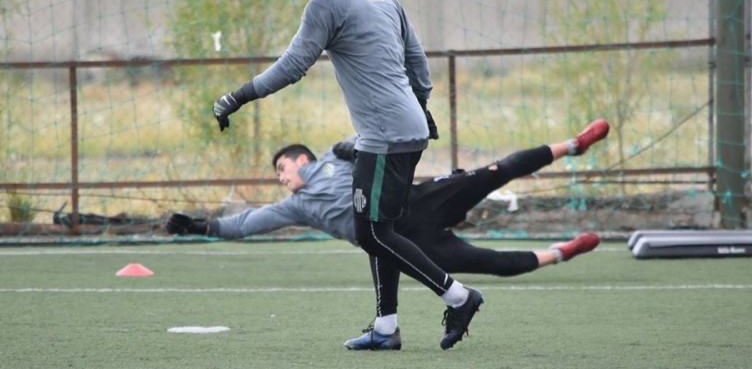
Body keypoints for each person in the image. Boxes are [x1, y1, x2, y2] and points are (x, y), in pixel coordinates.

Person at [210, 0, 481, 350]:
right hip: (408, 129)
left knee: (370, 233)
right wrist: (421, 106)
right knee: (382, 228)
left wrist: (236, 97)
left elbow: (293, 66)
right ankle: (386, 329)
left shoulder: (326, 2)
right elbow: (419, 65)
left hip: (382, 136)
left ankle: (459, 296)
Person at [168, 119, 610, 350]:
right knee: (488, 263)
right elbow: (246, 224)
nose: (281, 179)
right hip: (399, 244)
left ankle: (572, 145)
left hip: (416, 202)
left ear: (302, 159)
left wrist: (357, 145)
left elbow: (379, 133)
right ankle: (562, 252)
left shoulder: (334, 158)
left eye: (282, 169)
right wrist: (201, 227)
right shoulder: (297, 206)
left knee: (493, 173)